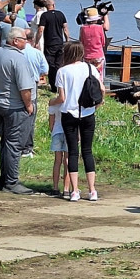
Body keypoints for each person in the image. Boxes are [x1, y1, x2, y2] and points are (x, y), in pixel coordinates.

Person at [0, 28, 37, 194]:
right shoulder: (19, 59)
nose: (27, 41)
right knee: (14, 144)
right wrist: (29, 105)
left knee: (6, 142)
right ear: (15, 41)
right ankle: (11, 182)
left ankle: (4, 179)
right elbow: (25, 87)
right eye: (24, 39)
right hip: (14, 106)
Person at [50, 41, 102, 202]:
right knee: (87, 151)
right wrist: (97, 106)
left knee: (73, 151)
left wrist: (51, 102)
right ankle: (92, 190)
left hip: (69, 114)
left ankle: (75, 191)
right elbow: (102, 90)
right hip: (88, 112)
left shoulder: (62, 71)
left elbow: (62, 98)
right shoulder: (90, 68)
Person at [19, 29, 49, 158]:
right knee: (30, 117)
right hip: (32, 85)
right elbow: (45, 70)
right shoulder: (37, 53)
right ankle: (27, 148)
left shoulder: (17, 52)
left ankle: (16, 145)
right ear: (32, 39)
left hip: (16, 86)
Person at [35, 0, 69, 91]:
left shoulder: (44, 15)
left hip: (49, 44)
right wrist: (67, 40)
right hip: (59, 42)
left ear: (46, 6)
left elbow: (40, 29)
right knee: (59, 64)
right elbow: (65, 29)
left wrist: (36, 42)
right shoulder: (60, 14)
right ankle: (60, 85)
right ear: (54, 5)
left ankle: (54, 86)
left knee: (50, 65)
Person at [79, 7, 109, 78]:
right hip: (98, 55)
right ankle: (99, 87)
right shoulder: (99, 28)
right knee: (99, 75)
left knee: (88, 75)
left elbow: (81, 41)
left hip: (87, 55)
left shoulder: (82, 28)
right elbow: (103, 42)